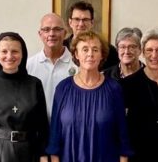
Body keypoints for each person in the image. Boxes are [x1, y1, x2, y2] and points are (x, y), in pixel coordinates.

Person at [46, 31, 132, 162]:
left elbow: (123, 139)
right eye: (85, 49)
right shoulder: (63, 89)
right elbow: (54, 139)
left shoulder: (114, 89)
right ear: (76, 54)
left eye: (95, 49)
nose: (90, 54)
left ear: (102, 55)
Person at [0, 32, 49, 162]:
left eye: (15, 51)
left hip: (29, 150)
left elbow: (42, 125)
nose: (9, 56)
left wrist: (43, 154)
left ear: (23, 54)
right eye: (4, 51)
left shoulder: (34, 84)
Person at [121, 28, 158, 162]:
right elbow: (121, 129)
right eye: (149, 50)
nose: (154, 55)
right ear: (142, 53)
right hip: (138, 156)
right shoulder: (126, 85)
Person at [27, 13, 77, 120]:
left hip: (68, 129)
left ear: (65, 33)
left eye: (57, 29)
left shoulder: (78, 65)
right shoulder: (29, 66)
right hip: (37, 131)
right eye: (46, 29)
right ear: (40, 34)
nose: (51, 34)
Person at [63, 1, 119, 70]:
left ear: (92, 22)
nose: (81, 24)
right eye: (77, 19)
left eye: (85, 20)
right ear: (70, 22)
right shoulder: (62, 47)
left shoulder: (108, 50)